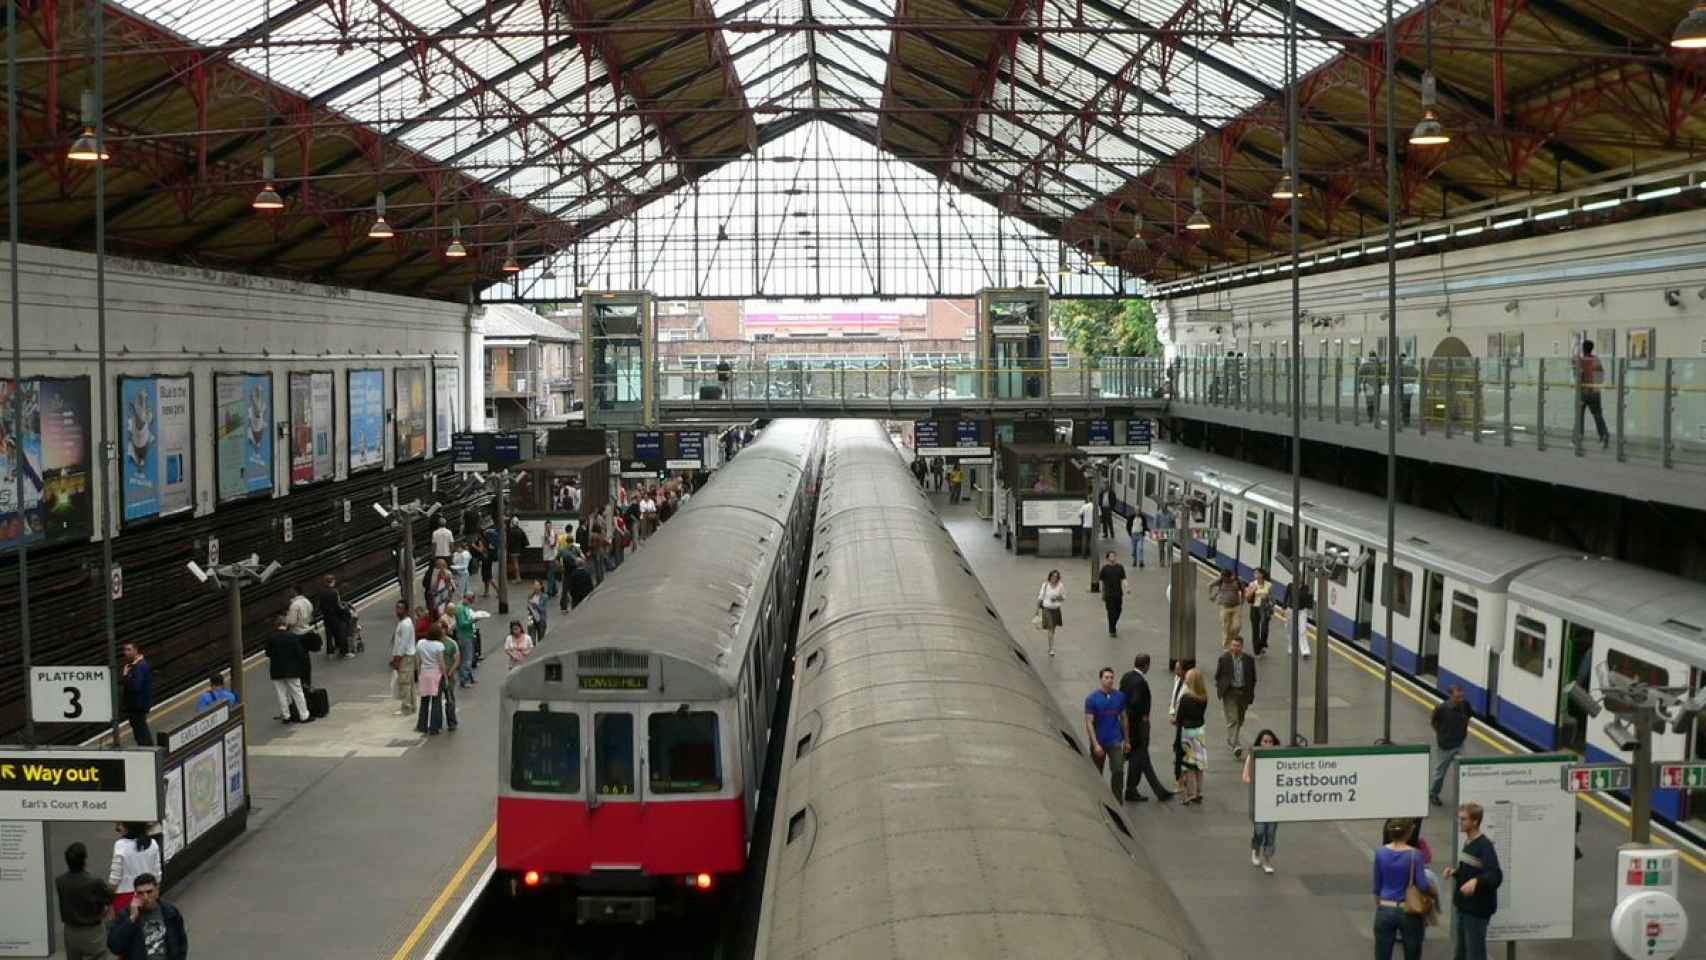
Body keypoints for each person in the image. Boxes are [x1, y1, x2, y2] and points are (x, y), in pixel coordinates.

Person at [1444, 803, 1503, 960]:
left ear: (1475, 821)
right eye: (1459, 818)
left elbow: (1495, 875)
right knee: (1461, 953)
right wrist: (1455, 872)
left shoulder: (1485, 846)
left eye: (1463, 819)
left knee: (1475, 953)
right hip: (1464, 907)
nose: (1459, 822)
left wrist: (1476, 882)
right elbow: (1470, 869)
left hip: (1476, 910)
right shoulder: (1468, 843)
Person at [1373, 818, 1435, 960]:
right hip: (1408, 911)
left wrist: (1380, 903)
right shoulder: (1415, 855)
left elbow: (1377, 885)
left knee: (1382, 954)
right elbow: (1422, 885)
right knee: (1412, 952)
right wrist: (1433, 891)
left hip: (1385, 908)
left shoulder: (1380, 853)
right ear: (1408, 833)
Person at [1117, 654, 1174, 803]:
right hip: (1138, 726)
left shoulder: (1126, 677)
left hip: (1128, 724)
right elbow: (1136, 704)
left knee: (1142, 758)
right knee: (1139, 757)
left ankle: (1156, 791)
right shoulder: (1140, 682)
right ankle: (1132, 789)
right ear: (1146, 665)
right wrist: (1143, 717)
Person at [105, 873, 187, 960]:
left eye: (149, 892)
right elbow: (115, 947)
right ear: (135, 895)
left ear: (157, 891)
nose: (145, 897)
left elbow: (181, 941)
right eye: (140, 893)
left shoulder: (170, 912)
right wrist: (132, 919)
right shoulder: (126, 915)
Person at [57, 841, 113, 960]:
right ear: (84, 860)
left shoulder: (60, 881)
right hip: (92, 932)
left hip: (70, 931)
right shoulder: (94, 882)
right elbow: (109, 898)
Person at [1083, 668, 1130, 803]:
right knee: (1096, 772)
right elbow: (1089, 722)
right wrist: (1095, 744)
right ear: (1101, 679)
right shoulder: (1091, 699)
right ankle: (1096, 798)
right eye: (1106, 677)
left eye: (1111, 677)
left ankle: (1117, 800)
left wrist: (1127, 740)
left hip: (1115, 740)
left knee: (1118, 770)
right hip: (1099, 741)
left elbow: (1124, 718)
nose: (1109, 680)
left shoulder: (1120, 697)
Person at [1242, 729, 1283, 874]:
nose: (1267, 744)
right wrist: (1256, 783)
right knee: (1260, 831)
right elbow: (1245, 776)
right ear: (1259, 742)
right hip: (1259, 800)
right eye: (1265, 741)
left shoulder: (1277, 758)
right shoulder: (1253, 756)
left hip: (1274, 801)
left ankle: (1267, 860)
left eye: (1270, 741)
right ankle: (1255, 849)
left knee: (1271, 832)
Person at [1430, 686, 1472, 806]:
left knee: (1464, 770)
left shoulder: (1465, 705)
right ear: (1451, 696)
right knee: (1440, 772)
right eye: (1458, 697)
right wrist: (1442, 734)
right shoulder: (1441, 708)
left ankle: (1464, 795)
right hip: (1445, 746)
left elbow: (1468, 717)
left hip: (1460, 743)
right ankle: (1433, 794)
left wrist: (1463, 732)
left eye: (1462, 696)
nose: (1461, 699)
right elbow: (1434, 722)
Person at [265, 616, 312, 724]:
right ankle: (304, 715)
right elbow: (300, 653)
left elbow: (268, 653)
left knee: (281, 693)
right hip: (292, 670)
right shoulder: (292, 637)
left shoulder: (271, 638)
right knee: (297, 692)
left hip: (276, 670)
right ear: (286, 624)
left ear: (276, 625)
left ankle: (286, 716)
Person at [1215, 637, 1257, 756]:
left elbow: (1253, 678)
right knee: (1233, 719)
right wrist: (1221, 687)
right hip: (1229, 693)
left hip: (1243, 693)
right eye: (1233, 645)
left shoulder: (1249, 660)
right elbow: (1218, 675)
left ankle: (1231, 740)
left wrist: (1250, 692)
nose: (1234, 648)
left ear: (1242, 647)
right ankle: (1236, 744)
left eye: (1237, 646)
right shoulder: (1224, 659)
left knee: (1240, 719)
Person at [107, 823, 161, 915]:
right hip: (148, 895)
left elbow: (114, 879)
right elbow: (157, 875)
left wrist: (109, 899)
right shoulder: (153, 844)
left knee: (127, 926)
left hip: (125, 896)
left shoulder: (120, 845)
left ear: (129, 827)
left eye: (121, 825)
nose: (118, 828)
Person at [1174, 667, 1209, 804]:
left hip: (1188, 732)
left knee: (1188, 763)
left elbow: (1179, 718)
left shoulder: (1186, 698)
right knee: (1199, 763)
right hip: (1200, 731)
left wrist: (1175, 720)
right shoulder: (1203, 697)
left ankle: (1190, 793)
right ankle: (1199, 791)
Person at [1576, 339, 1610, 449]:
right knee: (1598, 416)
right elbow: (1600, 378)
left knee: (1579, 416)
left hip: (1582, 392)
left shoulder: (1580, 361)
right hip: (1595, 393)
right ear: (1592, 348)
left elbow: (1577, 377)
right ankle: (1604, 435)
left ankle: (1579, 437)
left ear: (1583, 348)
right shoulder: (1597, 360)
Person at [119, 640, 154, 746]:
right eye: (125, 650)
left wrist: (125, 676)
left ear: (136, 650)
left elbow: (136, 686)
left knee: (141, 732)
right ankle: (147, 751)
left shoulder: (140, 666)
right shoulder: (135, 665)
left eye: (129, 650)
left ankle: (148, 752)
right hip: (137, 705)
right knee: (140, 731)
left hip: (137, 705)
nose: (126, 652)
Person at [416, 624, 447, 735]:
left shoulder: (420, 643)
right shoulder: (439, 646)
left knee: (424, 701)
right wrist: (445, 675)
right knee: (436, 701)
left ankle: (421, 725)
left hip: (424, 673)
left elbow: (418, 661)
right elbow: (441, 663)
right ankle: (434, 727)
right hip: (435, 674)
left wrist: (419, 673)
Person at [316, 574, 352, 659]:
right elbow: (337, 606)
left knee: (329, 635)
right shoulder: (334, 592)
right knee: (341, 633)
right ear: (333, 581)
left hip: (326, 617)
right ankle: (344, 652)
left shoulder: (321, 592)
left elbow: (320, 606)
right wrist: (345, 609)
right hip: (335, 617)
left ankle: (330, 653)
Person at [391, 601, 417, 717]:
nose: (398, 611)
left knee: (405, 683)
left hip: (405, 657)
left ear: (406, 610)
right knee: (409, 682)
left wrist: (397, 659)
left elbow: (403, 644)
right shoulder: (404, 622)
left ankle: (406, 708)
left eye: (400, 608)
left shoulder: (405, 624)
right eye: (397, 608)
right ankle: (412, 705)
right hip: (405, 656)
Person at [1209, 569, 1243, 648]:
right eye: (1223, 578)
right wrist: (1211, 595)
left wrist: (1243, 601)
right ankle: (1227, 645)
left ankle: (1232, 638)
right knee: (1226, 627)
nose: (1224, 580)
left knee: (1237, 626)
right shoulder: (1221, 580)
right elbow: (1210, 585)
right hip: (1224, 607)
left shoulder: (1237, 581)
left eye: (1225, 578)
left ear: (1230, 576)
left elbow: (1243, 590)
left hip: (1236, 607)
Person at [1244, 567, 1274, 656]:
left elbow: (1272, 598)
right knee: (1255, 629)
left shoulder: (1269, 585)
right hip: (1254, 608)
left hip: (1264, 609)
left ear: (1262, 574)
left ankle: (1262, 643)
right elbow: (1247, 597)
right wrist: (1252, 590)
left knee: (1264, 628)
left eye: (1257, 573)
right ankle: (1257, 650)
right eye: (1254, 573)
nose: (1255, 575)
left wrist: (1269, 601)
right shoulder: (1252, 584)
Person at [1036, 569, 1066, 657]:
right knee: (1050, 628)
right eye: (1053, 576)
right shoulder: (1045, 585)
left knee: (1053, 629)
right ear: (1050, 576)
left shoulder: (1060, 585)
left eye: (1056, 577)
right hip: (1047, 609)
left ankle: (1051, 645)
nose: (1054, 578)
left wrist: (1057, 598)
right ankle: (1051, 648)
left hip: (1056, 610)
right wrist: (1037, 609)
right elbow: (1040, 597)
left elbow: (1063, 597)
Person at [1098, 551, 1128, 637]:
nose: (1113, 558)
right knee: (1111, 612)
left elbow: (1124, 578)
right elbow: (1101, 581)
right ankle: (1112, 629)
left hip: (1118, 593)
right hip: (1108, 594)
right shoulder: (1104, 569)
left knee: (1118, 610)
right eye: (1111, 556)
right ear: (1107, 558)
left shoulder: (1120, 567)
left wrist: (1127, 587)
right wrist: (1102, 592)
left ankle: (1113, 624)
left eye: (1114, 556)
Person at [1360, 350, 1383, 422]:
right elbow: (1382, 375)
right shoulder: (1378, 364)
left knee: (1369, 401)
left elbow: (1360, 373)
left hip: (1368, 385)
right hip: (1376, 385)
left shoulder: (1365, 365)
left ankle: (1370, 417)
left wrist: (1360, 384)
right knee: (1376, 402)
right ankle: (1376, 416)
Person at [542, 521, 559, 597]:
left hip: (552, 558)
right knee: (551, 575)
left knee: (550, 575)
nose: (547, 528)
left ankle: (549, 592)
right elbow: (544, 547)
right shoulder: (544, 534)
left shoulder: (553, 534)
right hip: (546, 557)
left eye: (549, 526)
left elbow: (552, 545)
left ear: (551, 526)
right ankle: (555, 590)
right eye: (546, 526)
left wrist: (551, 539)